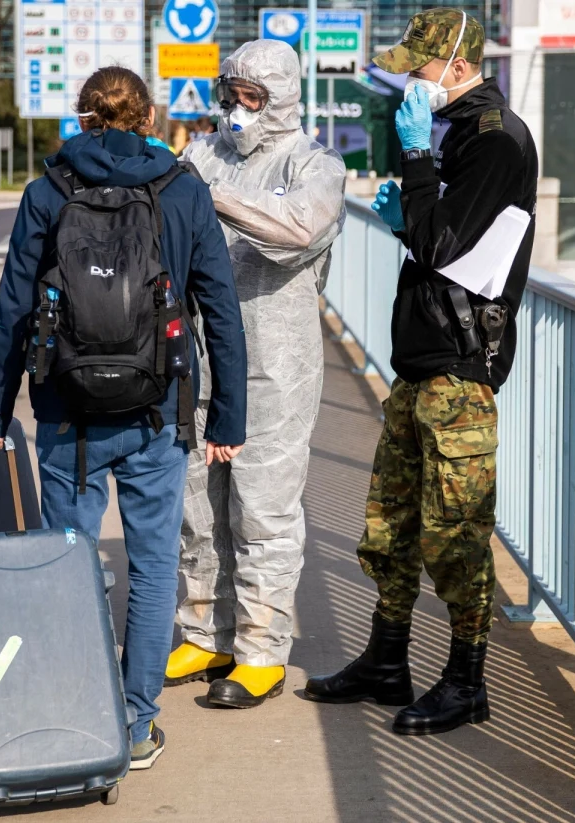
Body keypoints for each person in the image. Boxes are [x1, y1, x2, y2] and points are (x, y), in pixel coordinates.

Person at [0, 66, 247, 770]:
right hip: (158, 410)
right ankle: (135, 723)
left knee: (67, 564)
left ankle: (71, 709)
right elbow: (220, 309)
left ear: (82, 117)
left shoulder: (47, 189)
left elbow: (12, 309)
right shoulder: (183, 189)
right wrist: (227, 420)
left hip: (68, 413)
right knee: (152, 568)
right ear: (149, 117)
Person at [304, 8, 538, 736]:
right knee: (392, 523)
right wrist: (408, 213)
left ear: (460, 67)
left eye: (421, 69)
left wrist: (413, 166)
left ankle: (467, 682)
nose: (411, 82)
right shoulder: (454, 129)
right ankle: (387, 660)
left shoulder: (495, 140)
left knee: (456, 535)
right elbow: (442, 240)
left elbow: (442, 245)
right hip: (422, 360)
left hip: (460, 369)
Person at [165, 40, 346, 709]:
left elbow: (297, 233)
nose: (238, 109)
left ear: (282, 98)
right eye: (232, 95)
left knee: (263, 506)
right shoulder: (201, 152)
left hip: (276, 359)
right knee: (197, 501)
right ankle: (204, 632)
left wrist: (212, 199)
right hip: (202, 351)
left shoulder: (315, 164)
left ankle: (261, 650)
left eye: (254, 97)